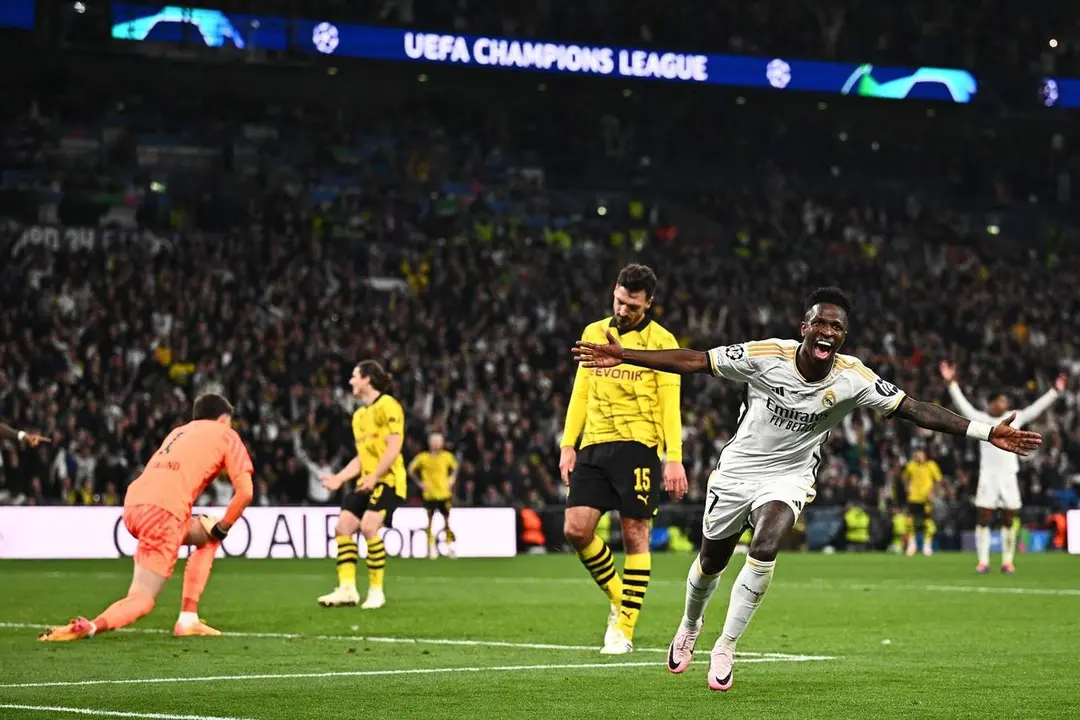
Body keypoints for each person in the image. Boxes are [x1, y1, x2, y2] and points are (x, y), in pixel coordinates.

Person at [574, 286, 1042, 691]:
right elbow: (695, 361)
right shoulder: (765, 356)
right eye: (821, 323)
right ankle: (690, 625)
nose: (829, 332)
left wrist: (985, 432)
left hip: (790, 476)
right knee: (711, 560)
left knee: (767, 541)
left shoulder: (853, 378)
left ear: (843, 337)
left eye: (838, 328)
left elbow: (915, 408)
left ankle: (726, 646)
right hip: (737, 472)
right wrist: (624, 354)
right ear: (805, 327)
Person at [38, 393, 254, 642]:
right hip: (164, 514)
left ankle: (189, 618)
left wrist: (215, 531)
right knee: (142, 599)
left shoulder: (179, 432)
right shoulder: (225, 434)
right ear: (223, 418)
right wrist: (224, 528)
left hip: (134, 505)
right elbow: (245, 493)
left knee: (207, 533)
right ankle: (90, 626)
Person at [559, 263, 687, 655]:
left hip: (639, 445)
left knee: (635, 534)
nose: (623, 310)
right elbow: (581, 390)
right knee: (576, 530)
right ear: (614, 292)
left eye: (632, 305)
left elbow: (670, 404)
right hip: (594, 444)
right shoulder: (592, 333)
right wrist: (568, 444)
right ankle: (620, 600)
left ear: (648, 304)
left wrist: (674, 458)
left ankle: (623, 629)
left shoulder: (663, 342)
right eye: (619, 301)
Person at [940, 362, 1065, 573]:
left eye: (1005, 401)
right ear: (990, 404)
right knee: (984, 517)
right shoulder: (983, 421)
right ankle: (983, 561)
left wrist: (1054, 391)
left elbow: (1035, 409)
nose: (1004, 404)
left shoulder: (1015, 419)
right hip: (988, 476)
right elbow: (963, 408)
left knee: (1009, 518)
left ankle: (1008, 561)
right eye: (1000, 401)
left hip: (1009, 476)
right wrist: (951, 383)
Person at [318, 361, 406, 610]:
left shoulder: (387, 405)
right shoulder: (359, 416)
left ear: (367, 379)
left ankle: (376, 591)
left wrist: (376, 476)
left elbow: (394, 447)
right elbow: (361, 458)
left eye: (354, 376)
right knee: (342, 527)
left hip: (388, 481)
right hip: (366, 480)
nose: (350, 382)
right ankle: (347, 589)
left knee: (368, 527)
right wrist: (339, 478)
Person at [408, 432, 459, 559]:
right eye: (434, 441)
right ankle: (430, 547)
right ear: (430, 443)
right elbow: (410, 469)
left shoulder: (447, 456)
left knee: (447, 521)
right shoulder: (423, 457)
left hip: (443, 494)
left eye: (438, 441)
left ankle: (449, 546)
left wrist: (452, 478)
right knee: (430, 522)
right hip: (429, 495)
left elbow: (456, 467)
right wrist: (420, 483)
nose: (436, 444)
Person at [901, 448, 943, 557]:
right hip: (913, 498)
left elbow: (938, 480)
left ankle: (927, 545)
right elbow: (904, 477)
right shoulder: (911, 465)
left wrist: (934, 493)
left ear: (924, 455)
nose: (917, 456)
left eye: (919, 454)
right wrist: (907, 489)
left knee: (927, 522)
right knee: (910, 521)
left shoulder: (931, 465)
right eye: (916, 454)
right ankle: (912, 544)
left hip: (926, 499)